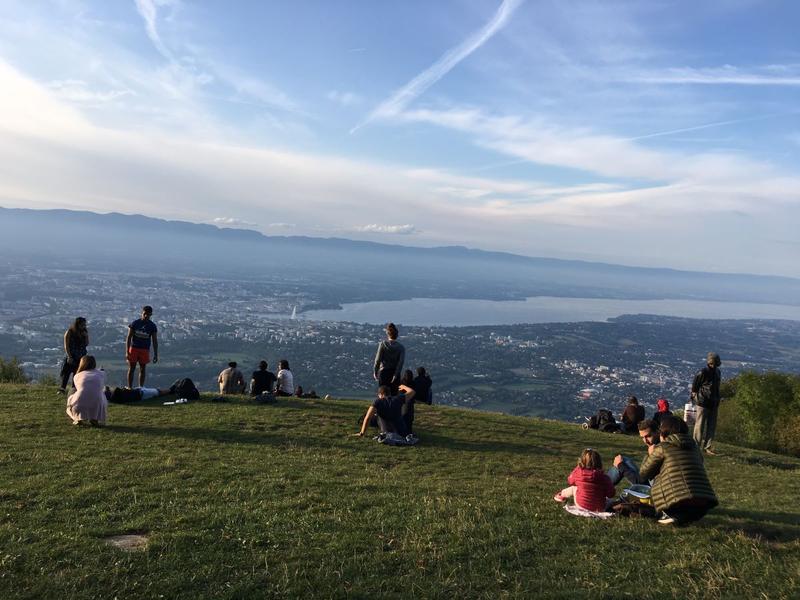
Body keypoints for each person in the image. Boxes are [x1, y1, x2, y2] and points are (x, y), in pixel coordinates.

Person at [639, 415, 718, 525]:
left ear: (664, 433)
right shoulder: (695, 448)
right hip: (704, 502)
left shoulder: (663, 447)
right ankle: (683, 516)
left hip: (677, 501)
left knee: (655, 476)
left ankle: (672, 514)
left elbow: (644, 473)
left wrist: (649, 455)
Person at [608, 419, 660, 486]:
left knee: (622, 462)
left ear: (657, 432)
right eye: (642, 437)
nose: (645, 441)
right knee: (624, 460)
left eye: (648, 436)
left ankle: (599, 489)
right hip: (650, 484)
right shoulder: (655, 446)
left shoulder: (658, 451)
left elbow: (639, 482)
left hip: (653, 490)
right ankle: (600, 488)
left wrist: (620, 465)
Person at [691, 352, 722, 455]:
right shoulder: (703, 372)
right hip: (703, 402)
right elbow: (695, 387)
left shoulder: (717, 372)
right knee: (700, 425)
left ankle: (707, 447)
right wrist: (695, 397)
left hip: (713, 402)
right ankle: (696, 446)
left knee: (711, 426)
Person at [65, 355, 107, 426]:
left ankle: (77, 417)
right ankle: (94, 418)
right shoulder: (101, 374)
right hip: (97, 405)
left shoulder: (77, 376)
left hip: (79, 405)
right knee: (100, 393)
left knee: (73, 390)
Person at [126, 305, 158, 388]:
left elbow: (155, 340)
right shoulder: (135, 323)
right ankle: (130, 387)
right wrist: (127, 351)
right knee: (131, 368)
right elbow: (129, 338)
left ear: (151, 315)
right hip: (134, 348)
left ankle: (141, 387)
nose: (146, 316)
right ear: (142, 313)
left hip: (144, 349)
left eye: (148, 314)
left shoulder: (152, 326)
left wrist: (155, 354)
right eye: (145, 314)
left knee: (143, 369)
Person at [58, 317, 89, 394]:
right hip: (71, 356)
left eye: (84, 325)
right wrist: (69, 356)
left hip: (81, 357)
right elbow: (66, 345)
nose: (84, 326)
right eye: (82, 325)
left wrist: (86, 336)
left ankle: (73, 390)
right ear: (77, 324)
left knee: (77, 374)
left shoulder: (83, 333)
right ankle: (62, 389)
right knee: (66, 373)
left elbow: (86, 344)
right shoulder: (69, 332)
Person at [373, 322, 405, 394]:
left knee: (382, 393)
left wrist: (375, 371)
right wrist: (396, 374)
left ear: (388, 334)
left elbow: (378, 359)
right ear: (396, 335)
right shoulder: (401, 347)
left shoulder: (383, 344)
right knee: (393, 395)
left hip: (384, 372)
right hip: (394, 372)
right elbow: (400, 363)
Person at [400, 369, 416, 434]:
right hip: (410, 402)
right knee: (409, 417)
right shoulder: (413, 383)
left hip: (402, 401)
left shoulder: (401, 383)